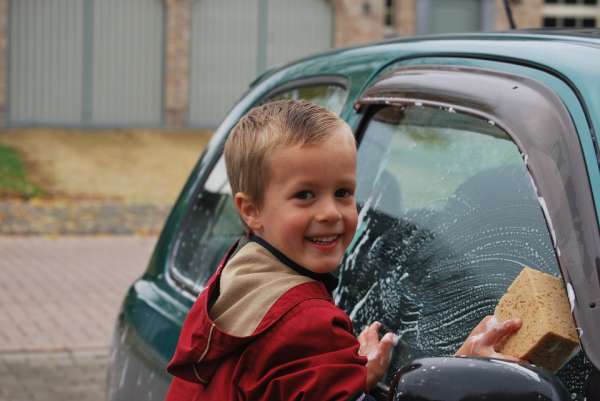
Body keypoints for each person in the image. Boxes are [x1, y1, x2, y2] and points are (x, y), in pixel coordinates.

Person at [164, 100, 521, 401]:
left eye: (343, 193)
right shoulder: (309, 326)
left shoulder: (233, 282)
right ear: (251, 210)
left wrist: (344, 378)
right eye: (305, 195)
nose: (330, 213)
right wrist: (463, 368)